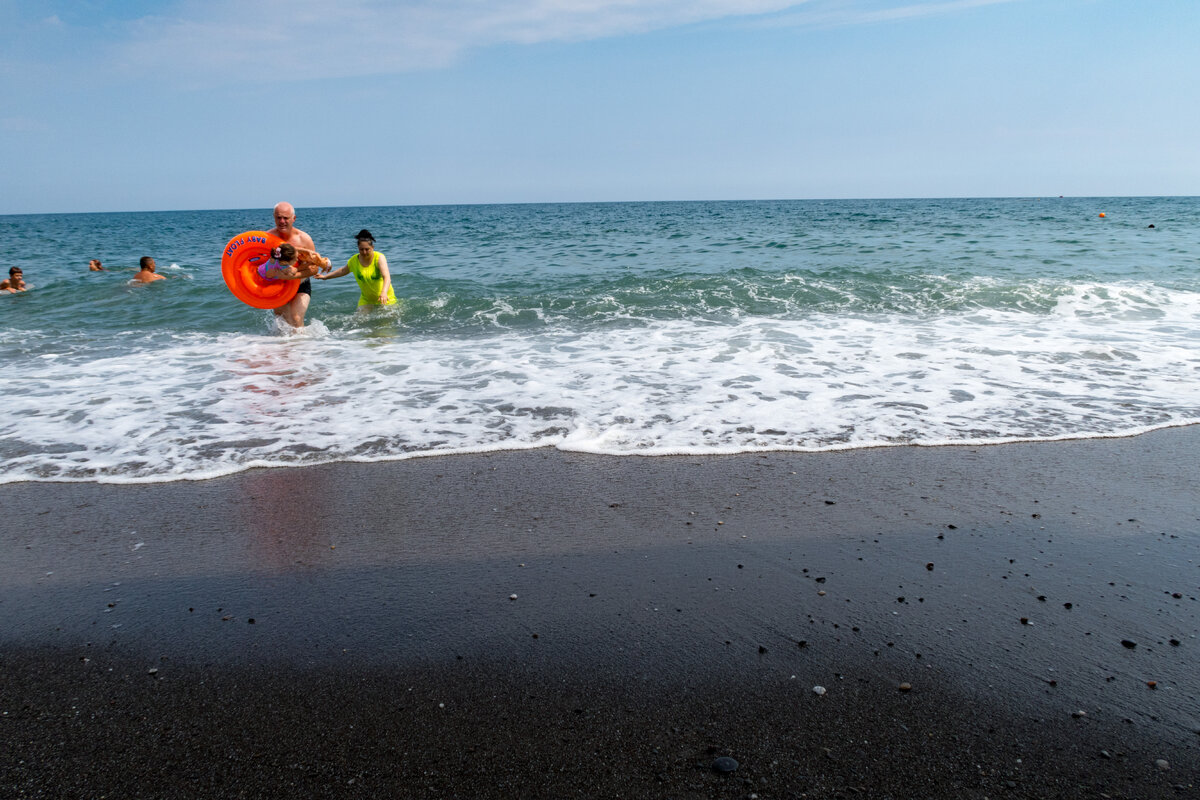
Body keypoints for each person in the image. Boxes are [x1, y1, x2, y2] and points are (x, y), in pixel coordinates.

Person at [267, 202, 327, 328]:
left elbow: (314, 269)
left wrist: (294, 276)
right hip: (278, 284)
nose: (282, 221)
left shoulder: (305, 239)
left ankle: (301, 347)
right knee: (282, 322)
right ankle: (281, 347)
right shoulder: (267, 238)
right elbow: (262, 266)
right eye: (278, 217)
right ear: (274, 217)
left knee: (296, 318)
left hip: (301, 283)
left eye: (286, 218)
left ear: (293, 219)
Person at [316, 229, 397, 309]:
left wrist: (384, 293)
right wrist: (325, 277)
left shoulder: (379, 258)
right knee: (358, 321)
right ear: (358, 248)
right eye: (361, 249)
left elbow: (386, 277)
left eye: (367, 249)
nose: (364, 252)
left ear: (372, 247)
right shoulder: (354, 260)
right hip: (366, 300)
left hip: (385, 297)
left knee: (385, 322)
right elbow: (342, 271)